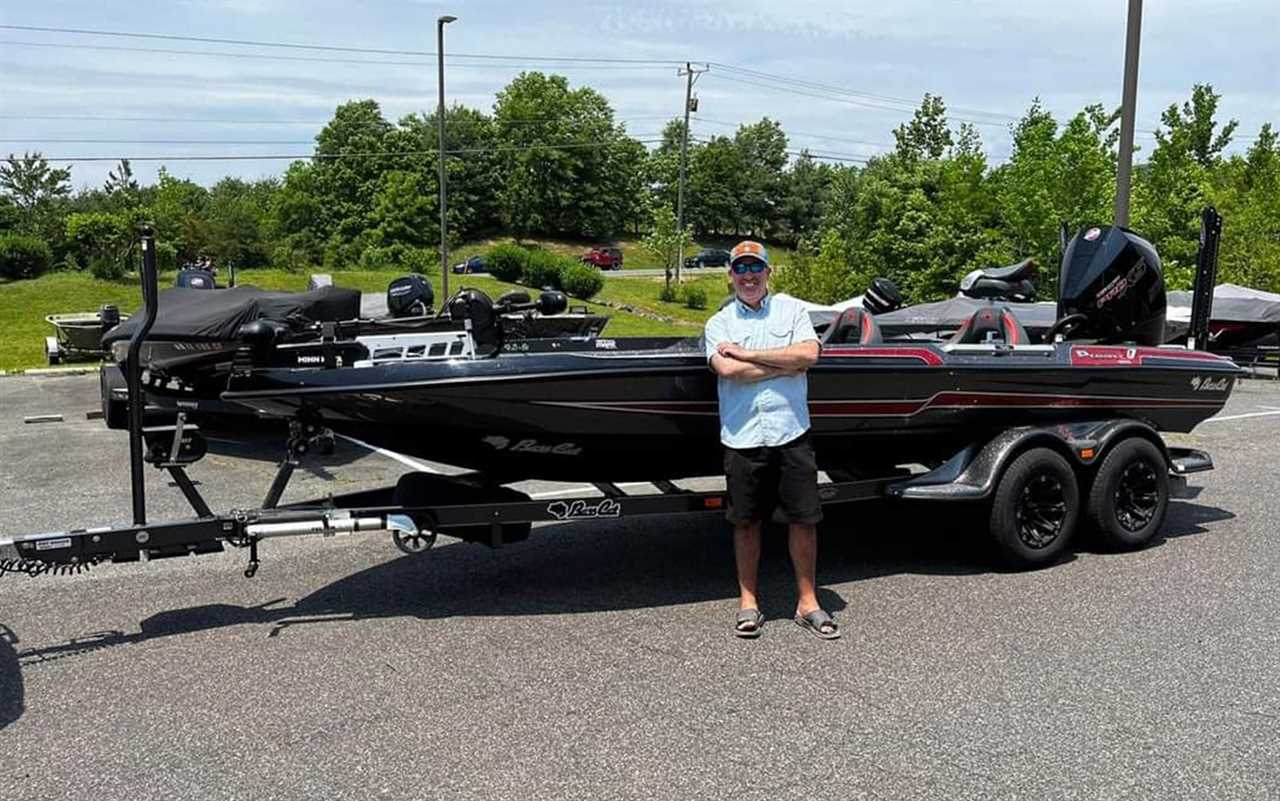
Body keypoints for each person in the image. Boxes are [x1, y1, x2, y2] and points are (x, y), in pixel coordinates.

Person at [703, 240, 839, 640]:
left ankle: (808, 602)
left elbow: (810, 356)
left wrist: (746, 354)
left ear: (768, 272)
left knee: (804, 519)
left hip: (791, 432)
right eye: (740, 268)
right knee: (745, 522)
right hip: (742, 435)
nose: (748, 276)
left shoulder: (793, 310)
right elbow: (728, 371)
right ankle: (749, 601)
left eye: (755, 268)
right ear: (730, 275)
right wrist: (784, 363)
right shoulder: (718, 323)